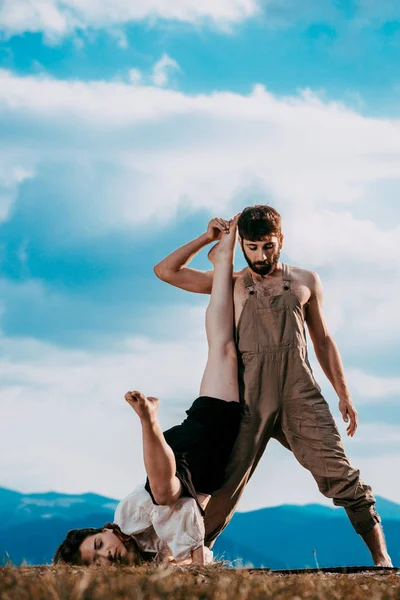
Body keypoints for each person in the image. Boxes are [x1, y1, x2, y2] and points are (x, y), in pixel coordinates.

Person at [154, 205, 393, 568]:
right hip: (248, 399)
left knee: (342, 476)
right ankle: (190, 558)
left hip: (301, 395)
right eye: (252, 247)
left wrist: (344, 395)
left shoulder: (305, 281)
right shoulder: (231, 283)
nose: (261, 256)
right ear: (242, 245)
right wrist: (209, 238)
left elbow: (324, 340)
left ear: (281, 240)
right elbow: (166, 272)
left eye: (268, 246)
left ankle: (382, 561)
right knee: (222, 486)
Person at [53, 216, 243, 567]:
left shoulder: (128, 516)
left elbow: (162, 270)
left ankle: (148, 420)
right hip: (201, 465)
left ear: (104, 529)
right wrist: (179, 564)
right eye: (98, 562)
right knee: (223, 348)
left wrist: (210, 239)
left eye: (97, 545)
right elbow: (188, 553)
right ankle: (149, 421)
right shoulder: (148, 560)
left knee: (222, 347)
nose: (105, 554)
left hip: (190, 450)